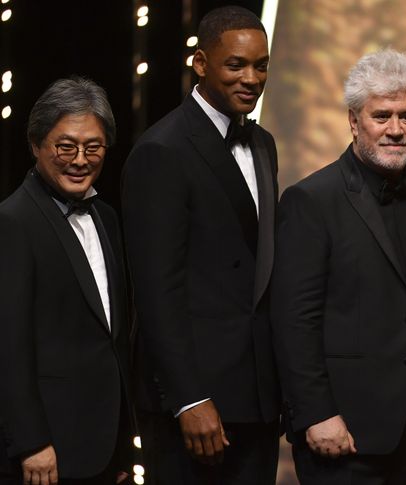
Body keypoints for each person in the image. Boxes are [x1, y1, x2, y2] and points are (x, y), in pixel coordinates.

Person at [271, 49, 406, 485]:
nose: (396, 129)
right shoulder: (311, 200)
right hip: (346, 431)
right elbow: (294, 320)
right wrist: (316, 413)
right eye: (382, 116)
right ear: (354, 121)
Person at [122, 6, 279, 485]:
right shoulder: (162, 150)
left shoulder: (264, 143)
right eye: (236, 65)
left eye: (261, 65)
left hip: (256, 394)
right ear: (201, 63)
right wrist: (189, 398)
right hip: (196, 402)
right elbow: (156, 291)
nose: (251, 78)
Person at [0, 77, 132, 485]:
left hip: (104, 444)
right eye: (66, 146)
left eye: (93, 147)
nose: (80, 159)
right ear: (37, 144)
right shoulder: (12, 221)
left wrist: (125, 440)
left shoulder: (107, 217)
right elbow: (8, 345)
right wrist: (30, 442)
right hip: (46, 450)